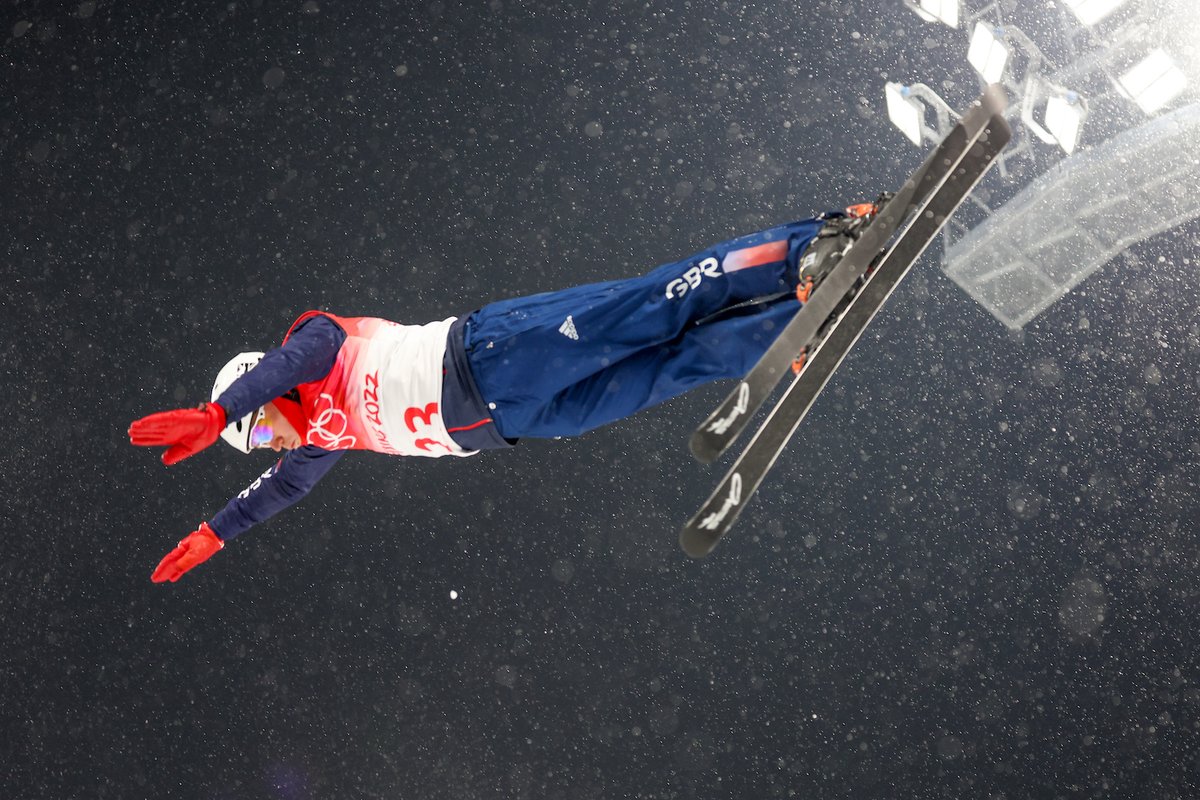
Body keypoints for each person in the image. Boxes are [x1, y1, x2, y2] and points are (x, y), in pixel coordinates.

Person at [131, 203, 880, 582]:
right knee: (664, 368)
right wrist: (217, 531)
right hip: (507, 424)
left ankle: (805, 247)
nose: (276, 446)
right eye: (262, 447)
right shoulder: (321, 440)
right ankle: (795, 320)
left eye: (263, 433)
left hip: (488, 357)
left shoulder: (314, 347)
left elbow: (288, 362)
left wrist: (219, 413)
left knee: (650, 308)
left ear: (268, 400)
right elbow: (275, 495)